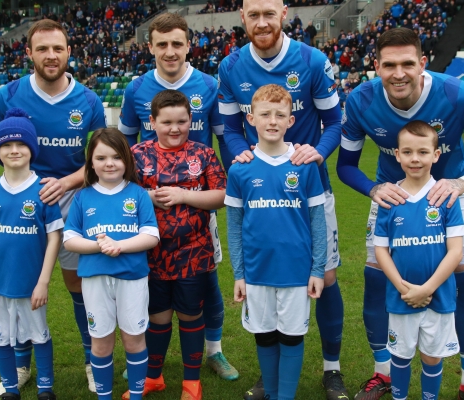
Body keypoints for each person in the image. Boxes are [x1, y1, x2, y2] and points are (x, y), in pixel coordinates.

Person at [338, 28, 464, 400]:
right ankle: (382, 373)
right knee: (376, 283)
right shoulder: (360, 101)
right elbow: (346, 167)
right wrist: (373, 188)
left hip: (451, 195)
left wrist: (463, 182)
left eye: (407, 63)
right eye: (389, 65)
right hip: (392, 198)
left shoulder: (457, 95)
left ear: (422, 64)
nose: (398, 73)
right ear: (375, 66)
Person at [218, 0, 347, 396]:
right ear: (242, 18)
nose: (261, 22)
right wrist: (240, 156)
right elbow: (229, 128)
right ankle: (270, 376)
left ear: (283, 15)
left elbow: (335, 121)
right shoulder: (230, 66)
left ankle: (331, 367)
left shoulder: (311, 60)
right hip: (259, 184)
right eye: (253, 15)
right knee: (265, 277)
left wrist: (318, 152)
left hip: (307, 185)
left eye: (268, 14)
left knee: (324, 276)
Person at [0, 19, 106, 395]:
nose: (51, 56)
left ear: (69, 52)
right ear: (29, 53)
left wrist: (66, 182)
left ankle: (92, 360)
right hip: (18, 202)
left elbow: (100, 158)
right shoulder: (8, 95)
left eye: (58, 49)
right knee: (18, 283)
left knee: (79, 285)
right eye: (43, 49)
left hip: (72, 200)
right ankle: (20, 366)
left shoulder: (89, 100)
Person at [117, 12, 238, 382]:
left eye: (177, 44)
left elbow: (224, 137)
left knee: (206, 282)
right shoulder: (136, 89)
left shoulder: (209, 85)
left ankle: (214, 352)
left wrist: (232, 184)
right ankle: (150, 366)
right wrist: (137, 197)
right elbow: (122, 145)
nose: (170, 51)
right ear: (150, 46)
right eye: (162, 44)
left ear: (189, 45)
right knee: (153, 291)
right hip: (150, 209)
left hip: (198, 202)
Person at [226, 84, 327, 400]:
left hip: (296, 272)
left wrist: (318, 270)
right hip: (257, 273)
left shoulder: (304, 165)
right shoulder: (240, 168)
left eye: (279, 115)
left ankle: (285, 396)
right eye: (265, 114)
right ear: (250, 118)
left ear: (291, 121)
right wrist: (239, 275)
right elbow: (234, 227)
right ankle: (270, 392)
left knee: (292, 337)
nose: (272, 121)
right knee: (265, 336)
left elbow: (318, 224)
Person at [131, 90, 227, 400]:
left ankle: (191, 383)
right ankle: (153, 377)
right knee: (157, 316)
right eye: (167, 122)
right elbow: (117, 193)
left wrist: (183, 195)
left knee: (190, 315)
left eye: (182, 121)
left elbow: (223, 195)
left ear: (191, 120)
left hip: (194, 252)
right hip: (150, 254)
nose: (175, 128)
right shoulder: (137, 154)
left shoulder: (204, 154)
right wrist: (147, 197)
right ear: (152, 122)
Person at [64, 128, 160, 400]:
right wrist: (98, 246)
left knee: (133, 339)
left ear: (127, 161)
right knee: (101, 341)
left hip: (132, 278)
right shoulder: (82, 197)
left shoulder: (138, 194)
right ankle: (104, 396)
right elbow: (70, 239)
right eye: (101, 157)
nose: (109, 163)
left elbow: (151, 235)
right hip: (94, 279)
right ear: (91, 163)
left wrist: (120, 246)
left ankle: (137, 394)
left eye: (117, 157)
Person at [0, 108, 63, 400]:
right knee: (0, 337)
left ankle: (45, 387)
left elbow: (54, 238)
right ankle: (10, 388)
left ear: (32, 148)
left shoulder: (43, 190)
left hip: (31, 285)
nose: (14, 150)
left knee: (39, 335)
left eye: (21, 144)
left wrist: (43, 282)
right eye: (6, 145)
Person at [373, 121, 464, 400]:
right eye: (408, 152)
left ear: (436, 155)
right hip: (401, 297)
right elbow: (381, 251)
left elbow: (456, 251)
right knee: (400, 356)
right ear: (397, 155)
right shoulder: (390, 198)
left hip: (439, 296)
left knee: (432, 357)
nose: (415, 159)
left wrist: (427, 289)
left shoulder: (446, 196)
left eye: (423, 152)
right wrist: (405, 289)